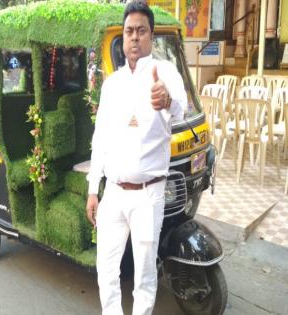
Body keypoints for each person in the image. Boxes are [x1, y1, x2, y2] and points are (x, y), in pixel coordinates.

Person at [85, 1, 187, 314]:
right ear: (124, 36)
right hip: (113, 193)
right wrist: (93, 189)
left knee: (143, 274)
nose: (134, 37)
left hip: (148, 195)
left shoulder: (166, 73)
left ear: (150, 36)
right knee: (106, 268)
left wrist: (166, 99)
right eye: (129, 31)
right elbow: (100, 138)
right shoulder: (112, 84)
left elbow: (180, 112)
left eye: (141, 31)